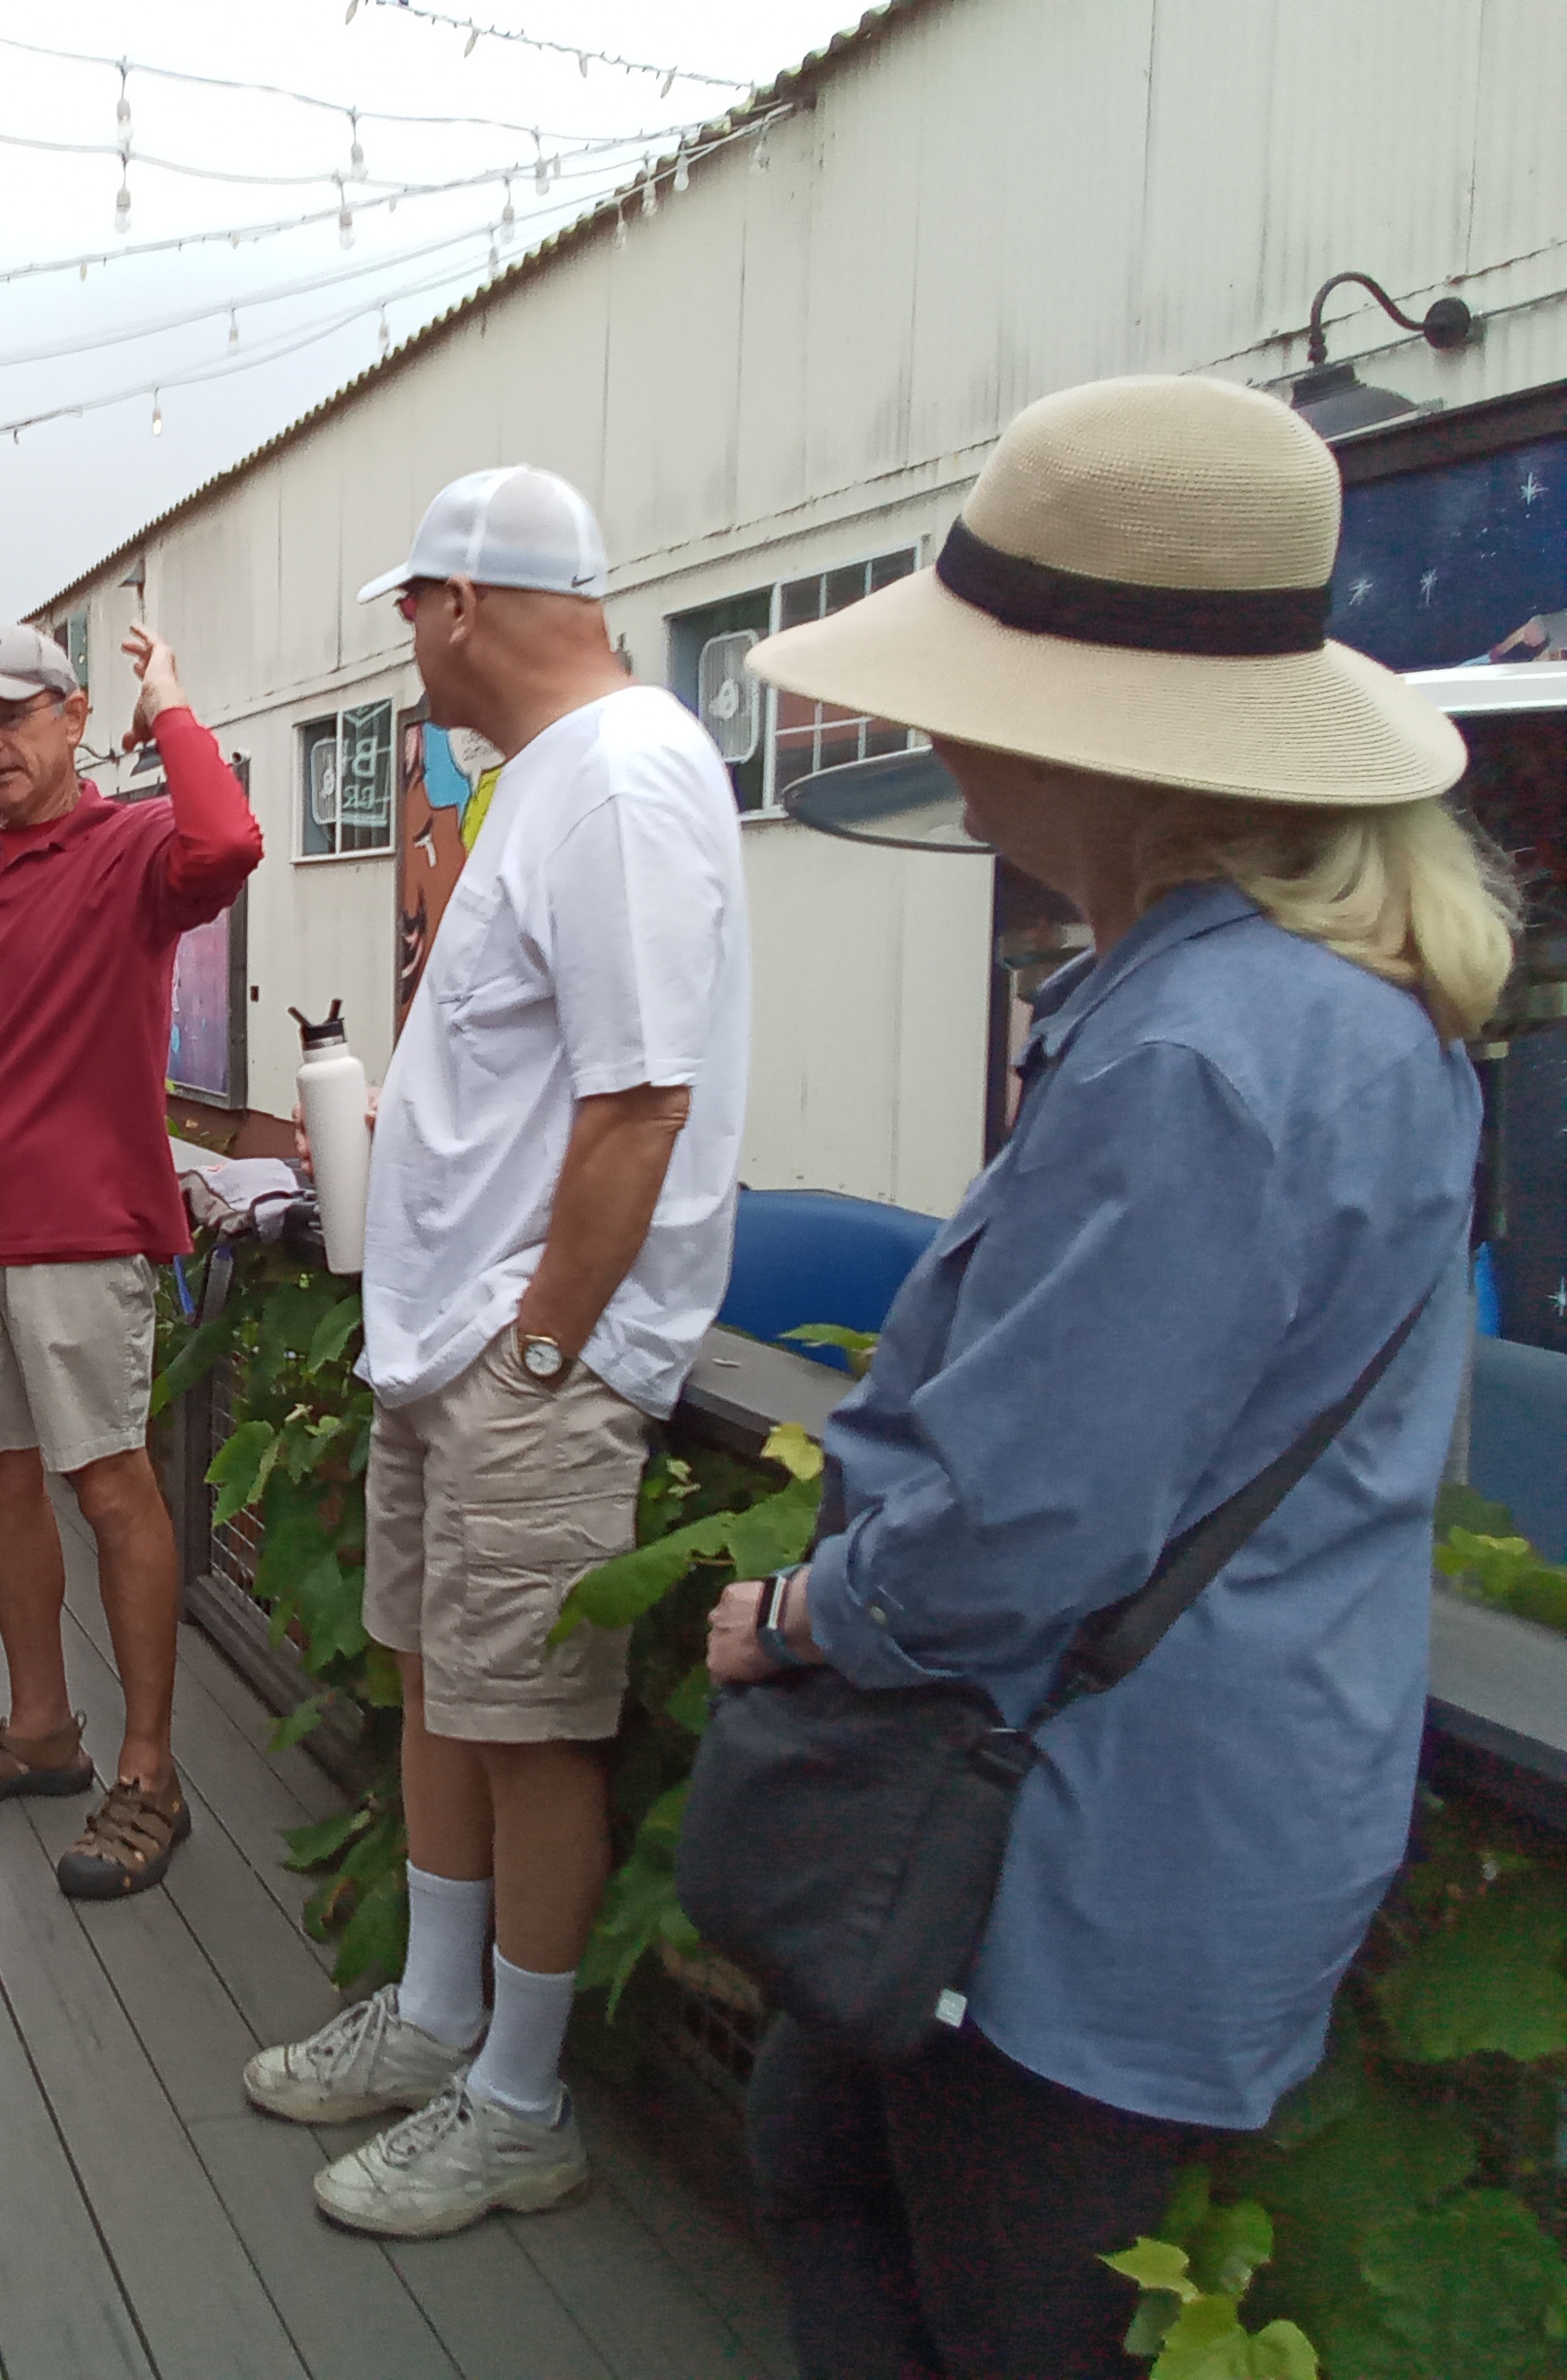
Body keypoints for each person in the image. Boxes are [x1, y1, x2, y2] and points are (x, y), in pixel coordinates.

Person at [708, 375, 1507, 2379]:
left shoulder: (1189, 1053)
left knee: (973, 2289)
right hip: (1173, 1811)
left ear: (1079, 736)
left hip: (1077, 1841)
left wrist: (797, 1615)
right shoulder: (1319, 1009)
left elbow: (1029, 1518)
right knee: (850, 2179)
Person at [244, 466, 749, 2238]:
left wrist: (542, 1351)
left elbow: (642, 1101)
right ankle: (437, 2015)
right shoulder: (545, 775)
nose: (405, 645)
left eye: (407, 609)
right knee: (442, 1684)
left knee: (529, 1727)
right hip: (447, 1334)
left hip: (525, 1353)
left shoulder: (613, 779)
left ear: (458, 602)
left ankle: (520, 2102)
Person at [0, 622, 261, 1900]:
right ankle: (41, 1730)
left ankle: (149, 1772)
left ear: (74, 718)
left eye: (11, 718)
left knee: (111, 1487)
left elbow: (228, 845)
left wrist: (172, 706)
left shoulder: (133, 849)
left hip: (84, 1234)